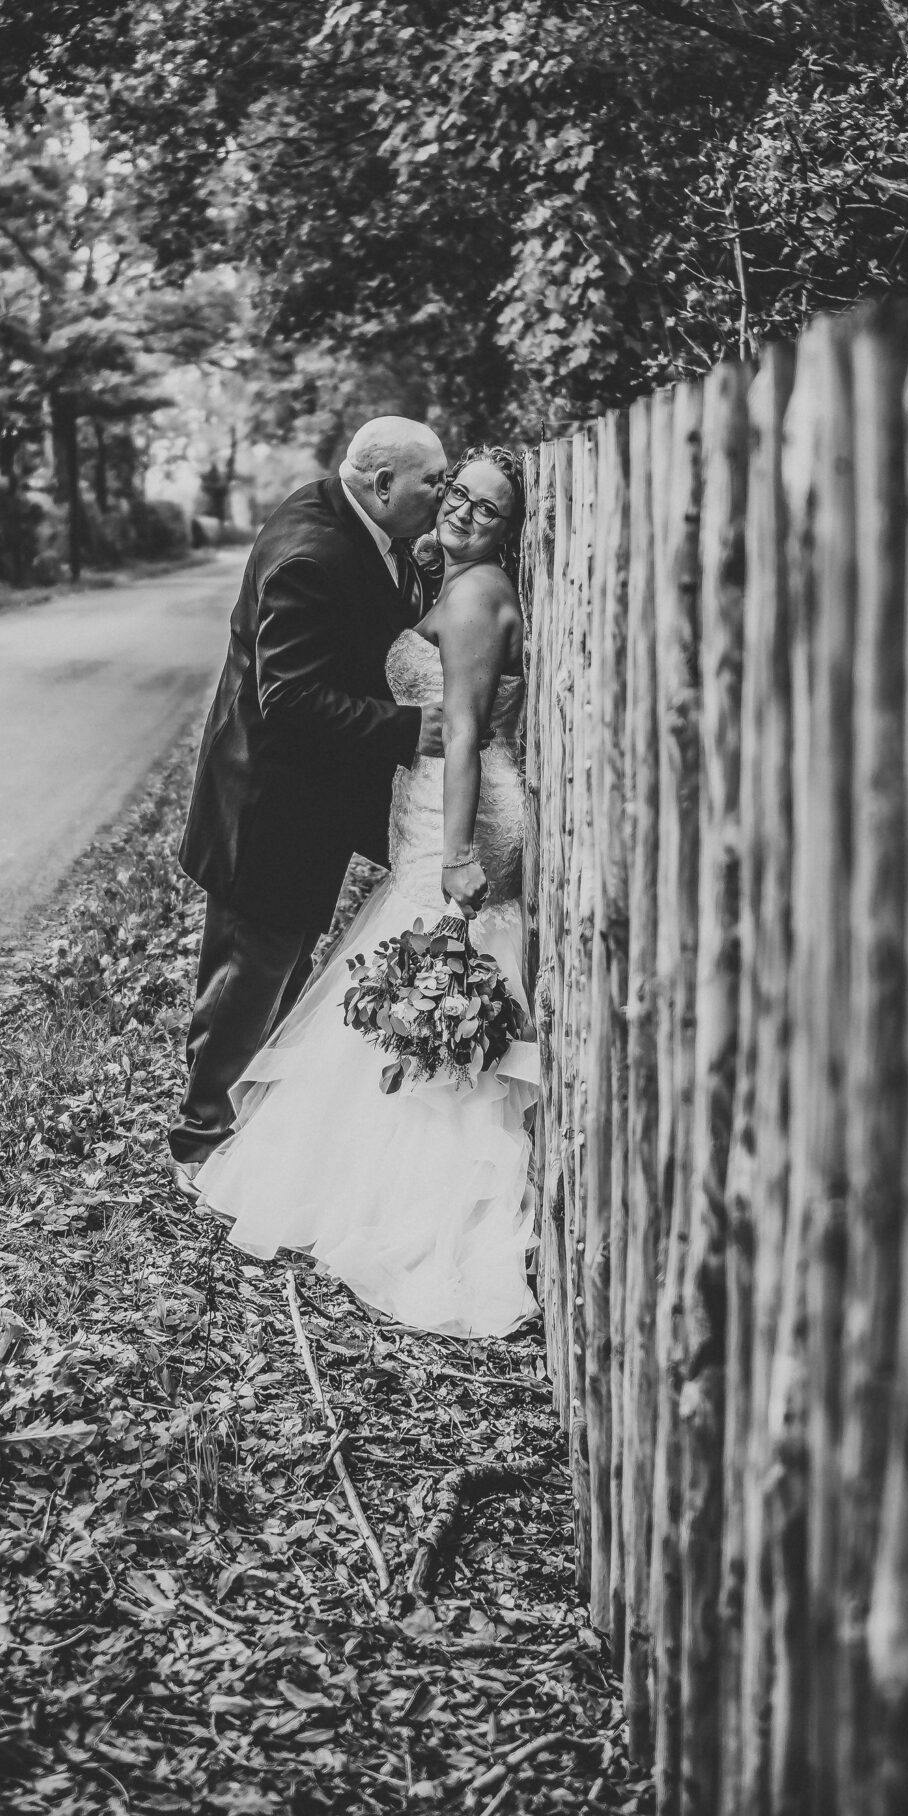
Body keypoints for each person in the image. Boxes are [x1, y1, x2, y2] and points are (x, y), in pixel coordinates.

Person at [195, 448, 537, 1339]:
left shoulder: (468, 595)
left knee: (437, 967)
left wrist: (459, 850)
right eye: (453, 491)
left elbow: (459, 737)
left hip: (456, 813)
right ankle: (268, 1142)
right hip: (426, 804)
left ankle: (419, 1189)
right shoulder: (410, 566)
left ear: (511, 528)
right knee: (406, 971)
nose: (459, 510)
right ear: (394, 487)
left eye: (485, 507)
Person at [170, 416, 451, 1189]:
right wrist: (408, 729)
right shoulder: (312, 551)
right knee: (247, 974)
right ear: (379, 483)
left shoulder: (349, 520)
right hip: (267, 804)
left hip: (305, 802)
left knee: (281, 965)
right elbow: (288, 698)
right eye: (431, 479)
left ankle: (249, 1122)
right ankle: (200, 1140)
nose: (443, 490)